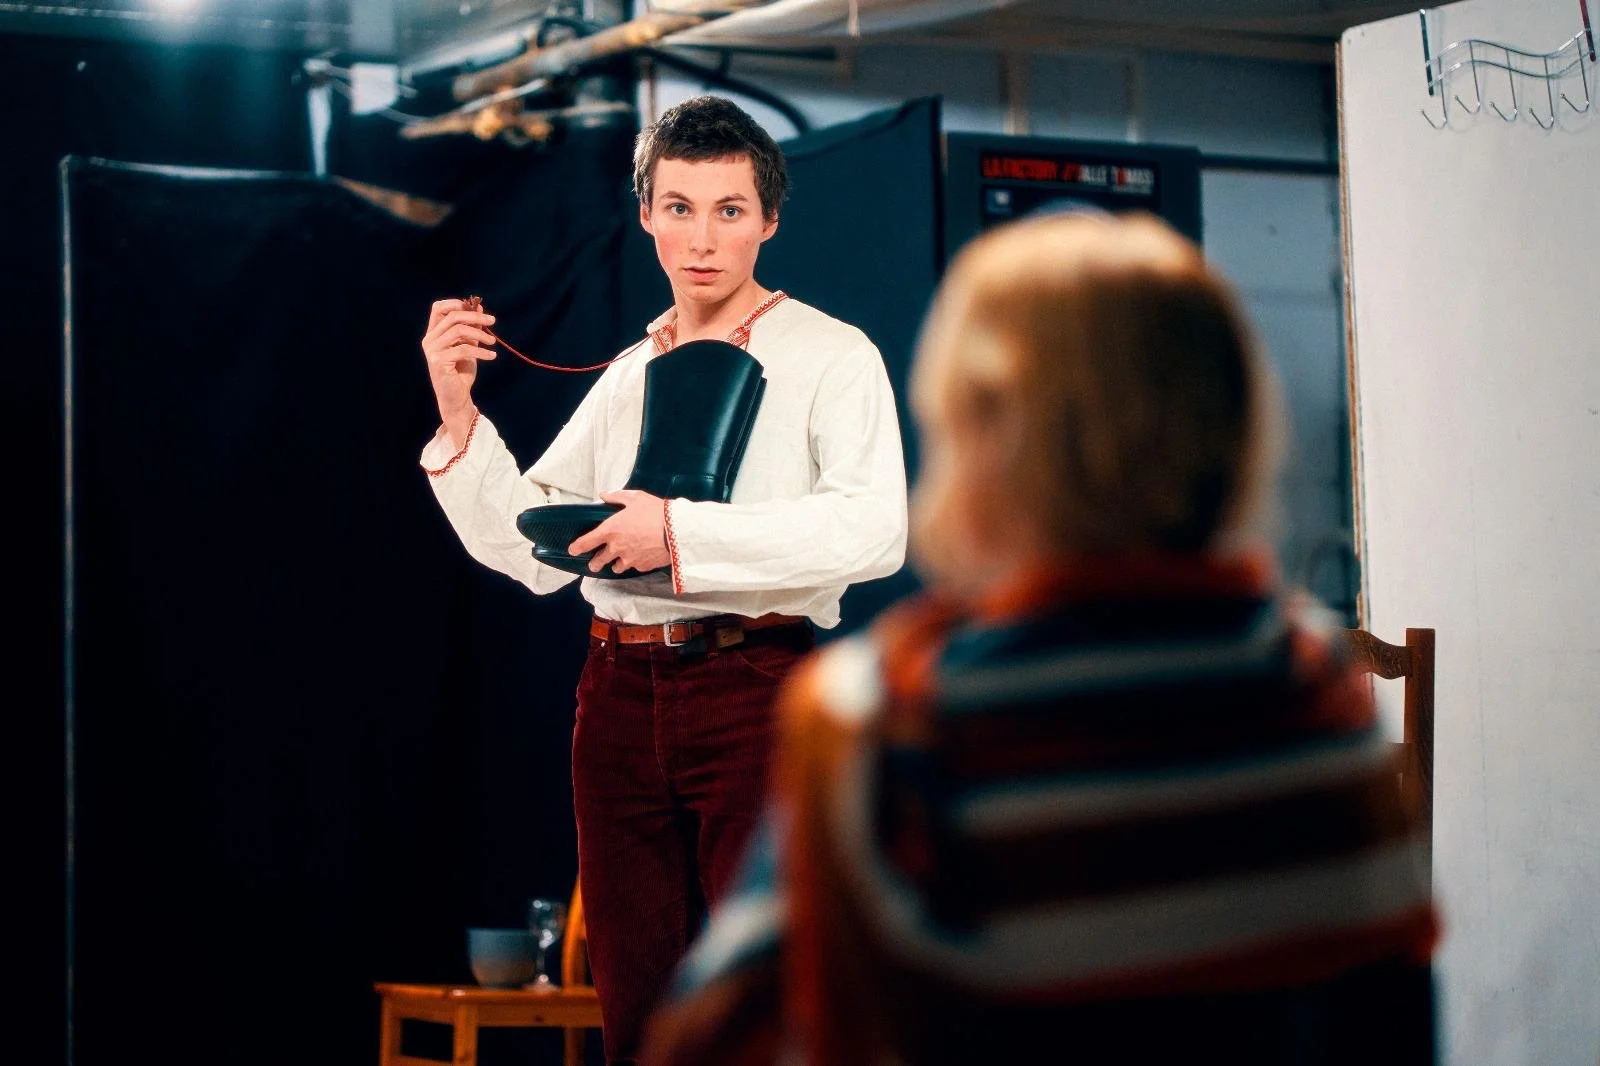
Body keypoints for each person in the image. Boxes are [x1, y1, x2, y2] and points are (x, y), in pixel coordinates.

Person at [639, 211, 1441, 1066]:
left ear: (984, 436)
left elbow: (718, 1042)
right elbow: (1389, 1024)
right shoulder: (1320, 694)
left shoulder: (892, 716)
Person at [417, 95, 908, 1064]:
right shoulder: (628, 370)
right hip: (613, 695)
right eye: (678, 207)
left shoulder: (832, 355)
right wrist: (457, 409)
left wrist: (678, 533)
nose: (702, 237)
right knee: (638, 1001)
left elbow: (873, 530)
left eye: (730, 209)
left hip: (754, 682)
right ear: (643, 213)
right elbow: (527, 549)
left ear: (769, 220)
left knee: (767, 991)